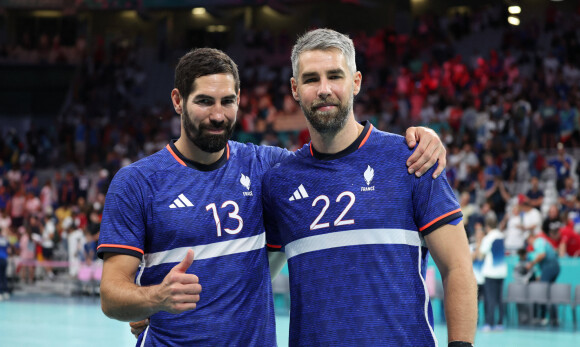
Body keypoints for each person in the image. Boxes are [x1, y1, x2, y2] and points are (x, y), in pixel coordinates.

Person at [98, 47, 447, 346]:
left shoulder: (271, 169)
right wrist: (154, 298)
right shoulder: (136, 183)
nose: (218, 115)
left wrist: (421, 138)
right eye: (204, 101)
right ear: (177, 100)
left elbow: (337, 156)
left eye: (227, 101)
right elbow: (112, 296)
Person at [263, 29, 476, 346]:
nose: (324, 89)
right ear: (295, 88)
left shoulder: (411, 158)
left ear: (356, 81)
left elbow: (457, 267)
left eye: (335, 76)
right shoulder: (280, 181)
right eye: (311, 79)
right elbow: (257, 279)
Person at [476, 216, 507, 331]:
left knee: (490, 299)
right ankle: (500, 323)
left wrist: (479, 241)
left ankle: (489, 323)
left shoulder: (488, 238)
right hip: (502, 272)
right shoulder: (501, 236)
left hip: (490, 273)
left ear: (487, 226)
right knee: (499, 298)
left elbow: (480, 255)